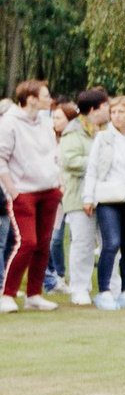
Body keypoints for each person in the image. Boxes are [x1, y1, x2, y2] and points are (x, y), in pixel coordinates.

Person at [0, 79, 65, 312]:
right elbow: (1, 159)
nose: (50, 100)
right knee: (28, 242)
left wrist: (58, 182)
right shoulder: (9, 123)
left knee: (43, 244)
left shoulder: (46, 123)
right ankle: (7, 294)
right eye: (46, 95)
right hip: (23, 193)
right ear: (31, 98)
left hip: (48, 190)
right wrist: (13, 191)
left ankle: (34, 294)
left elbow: (54, 155)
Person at [83, 96, 125, 308]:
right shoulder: (103, 138)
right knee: (111, 243)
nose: (116, 116)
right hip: (108, 196)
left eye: (121, 112)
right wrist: (88, 197)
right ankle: (104, 291)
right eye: (113, 112)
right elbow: (92, 170)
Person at [57, 89, 106, 303]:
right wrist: (99, 162)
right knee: (83, 242)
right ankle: (79, 287)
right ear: (94, 109)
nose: (109, 111)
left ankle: (107, 286)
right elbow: (70, 161)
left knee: (108, 241)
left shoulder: (106, 131)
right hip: (78, 195)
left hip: (104, 195)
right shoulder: (73, 131)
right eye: (105, 107)